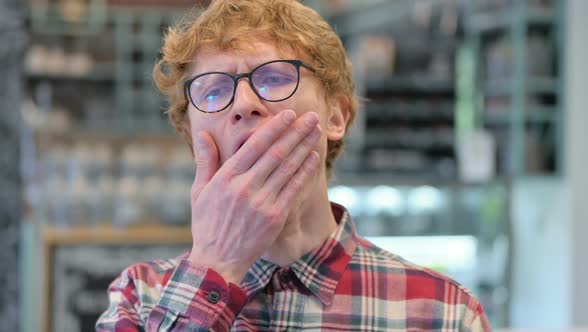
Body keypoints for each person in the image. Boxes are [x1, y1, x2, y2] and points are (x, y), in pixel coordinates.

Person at [96, 0, 491, 331]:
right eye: (214, 90)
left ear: (336, 116)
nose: (243, 103)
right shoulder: (140, 297)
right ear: (193, 136)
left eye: (273, 78)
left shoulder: (441, 311)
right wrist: (216, 266)